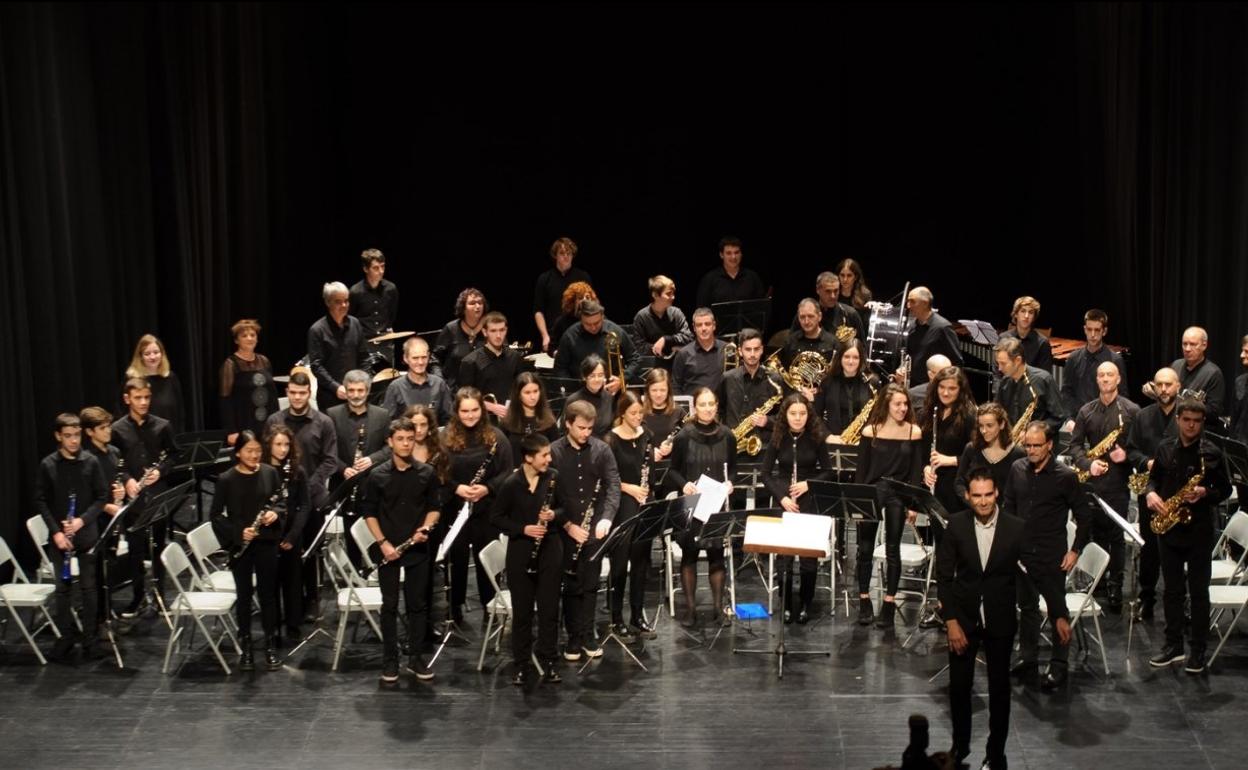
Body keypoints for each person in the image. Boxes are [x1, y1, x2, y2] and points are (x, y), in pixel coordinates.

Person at [937, 469, 1026, 770]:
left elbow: (1036, 572)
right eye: (977, 496)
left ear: (997, 492)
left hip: (1000, 620)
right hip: (963, 620)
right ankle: (960, 746)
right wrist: (951, 621)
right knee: (959, 688)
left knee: (1000, 691)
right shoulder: (956, 525)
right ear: (967, 496)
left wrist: (1058, 611)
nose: (984, 501)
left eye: (989, 494)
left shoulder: (1015, 527)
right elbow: (944, 577)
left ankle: (996, 754)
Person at [1146, 398, 1230, 674]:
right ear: (1178, 420)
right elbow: (1153, 479)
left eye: (1196, 421)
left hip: (1199, 531)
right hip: (1170, 527)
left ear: (1202, 422)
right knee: (1171, 591)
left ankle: (1198, 650)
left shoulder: (1211, 453)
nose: (1191, 425)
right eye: (1187, 420)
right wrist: (1151, 493)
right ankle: (1173, 645)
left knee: (1198, 593)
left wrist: (1206, 492)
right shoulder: (1165, 448)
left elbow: (1226, 490)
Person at [1002, 422, 1083, 692]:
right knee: (1027, 608)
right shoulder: (1017, 469)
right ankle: (1028, 658)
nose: (1032, 450)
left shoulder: (1065, 476)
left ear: (1049, 444)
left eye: (1037, 445)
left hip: (1051, 554)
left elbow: (1084, 516)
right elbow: (1009, 506)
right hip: (1022, 553)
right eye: (1028, 445)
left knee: (1058, 609)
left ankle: (1059, 664)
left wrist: (1075, 550)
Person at [359, 417, 442, 683]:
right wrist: (383, 543)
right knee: (390, 606)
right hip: (389, 549)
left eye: (410, 439)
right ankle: (390, 660)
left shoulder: (426, 473)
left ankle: (415, 658)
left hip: (416, 548)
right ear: (390, 442)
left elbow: (434, 508)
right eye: (400, 439)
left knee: (417, 605)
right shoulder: (377, 475)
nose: (406, 444)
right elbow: (369, 513)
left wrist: (426, 528)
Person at [491, 433, 564, 686]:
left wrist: (553, 514)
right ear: (529, 458)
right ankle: (522, 664)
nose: (549, 459)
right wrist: (523, 529)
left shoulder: (553, 477)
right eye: (544, 455)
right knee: (522, 613)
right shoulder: (511, 484)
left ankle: (549, 660)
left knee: (549, 610)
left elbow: (565, 508)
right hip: (521, 552)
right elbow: (496, 518)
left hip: (550, 550)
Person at [1067, 361, 1140, 612]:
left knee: (1116, 536)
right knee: (1094, 533)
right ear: (1096, 380)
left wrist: (1126, 456)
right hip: (1092, 482)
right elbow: (1075, 446)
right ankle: (1098, 579)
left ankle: (1115, 584)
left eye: (1110, 375)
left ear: (1118, 379)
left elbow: (1141, 448)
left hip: (1118, 482)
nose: (1106, 379)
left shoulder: (1132, 410)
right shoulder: (1086, 411)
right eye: (1101, 375)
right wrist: (1088, 464)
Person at [550, 399, 620, 659]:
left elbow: (613, 485)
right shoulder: (554, 451)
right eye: (581, 428)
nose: (585, 433)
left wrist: (606, 518)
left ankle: (588, 634)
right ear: (568, 424)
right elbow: (549, 496)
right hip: (566, 530)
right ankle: (573, 637)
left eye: (590, 428)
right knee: (571, 585)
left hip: (594, 529)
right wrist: (568, 525)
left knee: (590, 584)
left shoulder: (602, 450)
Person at [210, 430, 283, 671]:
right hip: (240, 545)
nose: (254, 455)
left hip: (266, 541)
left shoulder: (270, 473)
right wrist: (238, 532)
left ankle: (270, 643)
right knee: (244, 595)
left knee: (268, 594)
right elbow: (215, 516)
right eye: (249, 451)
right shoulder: (226, 479)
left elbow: (281, 502)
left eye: (258, 451)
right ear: (238, 453)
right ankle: (247, 643)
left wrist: (276, 513)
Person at [853, 383, 925, 629]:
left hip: (898, 493)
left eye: (905, 404)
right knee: (865, 548)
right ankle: (864, 599)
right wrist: (858, 502)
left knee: (893, 549)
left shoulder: (913, 432)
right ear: (886, 405)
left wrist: (913, 505)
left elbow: (915, 472)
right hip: (872, 492)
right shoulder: (870, 431)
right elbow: (861, 472)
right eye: (897, 404)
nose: (903, 408)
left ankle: (889, 603)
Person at [37, 413, 108, 662]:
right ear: (58, 436)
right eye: (68, 436)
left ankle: (90, 640)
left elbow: (102, 497)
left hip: (86, 534)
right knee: (62, 589)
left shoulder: (91, 462)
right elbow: (41, 501)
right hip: (61, 537)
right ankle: (66, 638)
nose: (74, 441)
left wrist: (81, 520)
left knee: (89, 589)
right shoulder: (48, 465)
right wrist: (56, 532)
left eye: (77, 435)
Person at [266, 371, 337, 619]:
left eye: (302, 393)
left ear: (309, 393)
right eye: (293, 393)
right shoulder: (275, 420)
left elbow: (330, 460)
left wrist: (307, 485)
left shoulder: (324, 422)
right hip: (281, 500)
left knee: (311, 550)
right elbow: (266, 456)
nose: (297, 397)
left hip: (312, 497)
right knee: (284, 551)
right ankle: (288, 604)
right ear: (287, 393)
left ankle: (312, 599)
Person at [664, 387, 736, 628]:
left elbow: (733, 468)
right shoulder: (684, 436)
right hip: (692, 504)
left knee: (717, 556)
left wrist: (730, 482)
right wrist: (684, 485)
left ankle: (717, 609)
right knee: (690, 555)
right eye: (702, 405)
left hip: (716, 505)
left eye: (711, 404)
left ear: (716, 406)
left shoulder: (727, 435)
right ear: (695, 407)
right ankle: (691, 611)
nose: (707, 409)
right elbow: (673, 470)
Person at [442, 387, 514, 625]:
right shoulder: (445, 437)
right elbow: (438, 471)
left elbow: (507, 472)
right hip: (456, 508)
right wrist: (457, 488)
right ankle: (455, 607)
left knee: (486, 560)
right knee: (457, 559)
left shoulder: (496, 437)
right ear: (457, 411)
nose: (470, 415)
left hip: (487, 508)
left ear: (482, 410)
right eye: (465, 411)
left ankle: (489, 606)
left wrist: (487, 488)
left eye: (474, 410)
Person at [111, 377, 179, 617]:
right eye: (138, 398)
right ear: (127, 399)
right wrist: (127, 479)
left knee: (159, 546)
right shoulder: (117, 429)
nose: (143, 402)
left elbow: (174, 455)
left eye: (147, 397)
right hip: (134, 498)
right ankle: (138, 597)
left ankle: (160, 595)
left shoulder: (163, 426)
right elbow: (115, 461)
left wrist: (161, 471)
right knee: (135, 549)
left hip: (158, 494)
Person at [760, 393, 831, 623]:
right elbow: (765, 474)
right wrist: (782, 498)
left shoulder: (816, 437)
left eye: (802, 413)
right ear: (785, 415)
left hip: (809, 499)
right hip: (785, 501)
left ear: (808, 415)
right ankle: (787, 603)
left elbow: (828, 471)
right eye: (793, 414)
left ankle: (806, 602)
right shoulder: (778, 437)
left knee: (808, 557)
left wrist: (808, 483)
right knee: (785, 558)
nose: (798, 418)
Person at [1125, 367, 1180, 621]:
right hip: (1151, 491)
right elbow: (1131, 450)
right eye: (1159, 384)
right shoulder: (1142, 415)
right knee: (1149, 550)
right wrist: (1146, 462)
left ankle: (1180, 604)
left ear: (1178, 386)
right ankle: (1147, 599)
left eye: (1168, 384)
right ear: (1154, 387)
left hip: (1179, 493)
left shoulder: (1187, 415)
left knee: (1179, 549)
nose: (1164, 389)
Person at [603, 391, 657, 640]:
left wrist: (646, 492)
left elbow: (651, 473)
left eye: (640, 413)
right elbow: (608, 478)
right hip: (622, 503)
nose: (638, 417)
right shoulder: (610, 440)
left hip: (643, 501)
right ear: (622, 413)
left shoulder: (647, 436)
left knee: (641, 562)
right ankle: (616, 618)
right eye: (633, 413)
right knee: (620, 563)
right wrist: (630, 488)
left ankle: (637, 615)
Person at [262, 424, 309, 645]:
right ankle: (272, 627)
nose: (283, 449)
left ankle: (293, 624)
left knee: (293, 582)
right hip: (268, 535)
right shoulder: (261, 471)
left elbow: (304, 506)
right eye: (278, 444)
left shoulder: (297, 471)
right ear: (269, 445)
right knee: (270, 584)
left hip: (291, 534)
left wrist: (292, 536)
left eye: (286, 444)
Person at [79, 407, 128, 620]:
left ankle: (107, 610)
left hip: (111, 519)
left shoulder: (114, 452)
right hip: (94, 521)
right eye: (102, 428)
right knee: (97, 570)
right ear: (89, 432)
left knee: (110, 565)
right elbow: (85, 496)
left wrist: (121, 492)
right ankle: (99, 616)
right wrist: (107, 506)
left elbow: (116, 481)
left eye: (108, 426)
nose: (108, 431)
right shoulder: (86, 458)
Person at [717, 328, 783, 463]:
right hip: (733, 446)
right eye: (748, 349)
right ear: (740, 351)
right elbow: (718, 411)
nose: (752, 354)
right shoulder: (728, 378)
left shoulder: (775, 379)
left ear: (762, 350)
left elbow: (784, 416)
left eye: (756, 349)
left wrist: (768, 421)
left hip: (765, 448)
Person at [326, 370, 392, 493]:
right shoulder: (332, 414)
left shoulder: (382, 415)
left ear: (368, 391)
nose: (356, 395)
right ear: (345, 391)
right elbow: (326, 450)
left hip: (374, 484)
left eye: (360, 390)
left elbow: (390, 447)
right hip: (341, 484)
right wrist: (343, 469)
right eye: (351, 390)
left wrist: (372, 459)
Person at [307, 281, 369, 411]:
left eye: (346, 301)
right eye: (338, 302)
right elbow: (316, 366)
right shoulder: (317, 330)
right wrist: (335, 387)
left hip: (355, 393)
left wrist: (362, 382)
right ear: (328, 302)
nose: (344, 305)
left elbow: (364, 357)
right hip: (330, 395)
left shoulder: (355, 324)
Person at [1059, 309, 1128, 427]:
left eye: (1097, 330)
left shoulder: (1115, 360)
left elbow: (1122, 395)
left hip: (1105, 422)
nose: (1092, 335)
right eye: (1089, 329)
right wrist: (1069, 418)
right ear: (1084, 329)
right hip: (1078, 421)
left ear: (1104, 331)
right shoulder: (1073, 358)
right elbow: (1066, 392)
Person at [219, 319, 280, 445]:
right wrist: (231, 430)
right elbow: (225, 399)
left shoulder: (264, 361)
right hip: (244, 423)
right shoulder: (231, 364)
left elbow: (272, 396)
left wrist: (277, 423)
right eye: (244, 336)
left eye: (253, 335)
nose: (249, 338)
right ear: (236, 340)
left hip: (266, 423)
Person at [552, 297, 639, 385]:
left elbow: (635, 359)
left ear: (602, 317)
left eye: (597, 323)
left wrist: (622, 379)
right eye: (588, 324)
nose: (593, 328)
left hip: (611, 388)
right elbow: (560, 368)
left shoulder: (615, 331)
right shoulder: (570, 336)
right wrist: (570, 387)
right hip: (580, 389)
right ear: (581, 319)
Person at [458, 311, 526, 420]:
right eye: (493, 331)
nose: (498, 336)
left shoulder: (515, 357)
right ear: (485, 332)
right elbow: (464, 398)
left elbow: (522, 389)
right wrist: (492, 407)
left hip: (512, 418)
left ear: (506, 330)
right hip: (483, 419)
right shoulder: (470, 362)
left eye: (502, 330)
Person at [993, 337, 1064, 436]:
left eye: (1003, 364)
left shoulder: (1043, 379)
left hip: (1038, 442)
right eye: (998, 363)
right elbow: (998, 412)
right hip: (1012, 440)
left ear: (1018, 360)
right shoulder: (1005, 382)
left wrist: (1034, 432)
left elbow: (1057, 418)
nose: (999, 368)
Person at [533, 237, 592, 354]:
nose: (566, 256)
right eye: (562, 253)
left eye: (569, 253)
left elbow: (591, 307)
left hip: (580, 335)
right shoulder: (544, 279)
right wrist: (545, 336)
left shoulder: (583, 277)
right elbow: (538, 311)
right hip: (554, 337)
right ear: (555, 255)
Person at [954, 403, 1024, 500]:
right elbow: (959, 482)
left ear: (1002, 424)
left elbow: (1021, 489)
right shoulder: (971, 449)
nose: (984, 431)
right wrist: (971, 500)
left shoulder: (1017, 453)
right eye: (981, 426)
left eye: (989, 426)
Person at [382, 336, 452, 424]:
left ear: (429, 356)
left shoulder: (439, 384)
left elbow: (449, 419)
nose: (420, 362)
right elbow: (389, 423)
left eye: (424, 357)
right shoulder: (395, 387)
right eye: (415, 358)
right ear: (405, 358)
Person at [902, 286, 963, 389]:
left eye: (912, 301)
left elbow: (956, 362)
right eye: (908, 301)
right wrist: (902, 369)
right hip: (914, 385)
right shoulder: (913, 326)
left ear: (925, 303)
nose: (908, 305)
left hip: (934, 387)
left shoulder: (942, 327)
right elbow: (909, 355)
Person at [816, 338, 877, 439]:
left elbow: (878, 416)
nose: (850, 362)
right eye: (847, 357)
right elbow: (816, 415)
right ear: (840, 357)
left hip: (863, 440)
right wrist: (827, 436)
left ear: (861, 359)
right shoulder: (827, 381)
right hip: (834, 440)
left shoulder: (871, 382)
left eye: (855, 357)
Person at [124, 334, 185, 434]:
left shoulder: (170, 377)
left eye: (156, 352)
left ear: (162, 354)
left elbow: (180, 412)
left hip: (169, 434)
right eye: (147, 354)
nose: (152, 357)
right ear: (140, 356)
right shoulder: (132, 379)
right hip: (141, 435)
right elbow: (123, 411)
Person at [348, 248, 399, 366]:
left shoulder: (391, 289)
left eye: (383, 266)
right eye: (376, 268)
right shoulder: (355, 292)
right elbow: (351, 319)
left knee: (387, 374)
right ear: (365, 269)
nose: (381, 271)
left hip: (386, 343)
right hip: (364, 344)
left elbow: (392, 315)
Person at [630, 274, 693, 368]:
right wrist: (661, 347)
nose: (673, 297)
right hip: (653, 367)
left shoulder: (676, 313)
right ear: (655, 295)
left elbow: (688, 337)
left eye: (673, 293)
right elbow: (638, 347)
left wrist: (666, 339)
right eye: (668, 294)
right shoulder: (641, 317)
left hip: (677, 364)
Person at [500, 371, 562, 466]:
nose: (533, 397)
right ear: (518, 394)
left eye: (535, 391)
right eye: (527, 393)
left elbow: (556, 453)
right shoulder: (507, 422)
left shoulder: (549, 421)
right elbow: (501, 454)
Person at [433, 287, 488, 390]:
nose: (477, 306)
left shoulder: (490, 329)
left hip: (483, 392)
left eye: (480, 303)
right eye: (472, 303)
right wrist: (440, 381)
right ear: (463, 308)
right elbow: (435, 358)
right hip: (454, 392)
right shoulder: (451, 329)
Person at [779, 299, 840, 390]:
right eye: (802, 317)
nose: (806, 321)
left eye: (811, 316)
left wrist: (820, 390)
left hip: (824, 394)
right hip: (796, 394)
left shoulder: (833, 342)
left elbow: (837, 376)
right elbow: (785, 373)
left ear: (819, 316)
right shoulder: (791, 341)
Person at [1168, 326, 1227, 419]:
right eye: (1184, 344)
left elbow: (1214, 411)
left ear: (1204, 345)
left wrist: (1190, 406)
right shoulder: (1176, 365)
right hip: (1172, 422)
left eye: (1193, 344)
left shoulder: (1213, 373)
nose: (1187, 349)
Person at [695, 235, 767, 310]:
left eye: (736, 252)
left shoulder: (752, 277)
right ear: (721, 255)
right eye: (729, 253)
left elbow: (762, 307)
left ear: (741, 254)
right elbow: (701, 309)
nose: (733, 257)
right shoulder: (709, 279)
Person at [790, 272, 864, 343]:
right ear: (818, 290)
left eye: (836, 291)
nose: (833, 296)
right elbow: (792, 343)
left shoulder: (851, 314)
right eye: (828, 291)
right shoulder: (805, 315)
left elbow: (862, 346)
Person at [671, 307, 725, 396]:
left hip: (720, 404)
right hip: (692, 404)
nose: (703, 328)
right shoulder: (683, 354)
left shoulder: (726, 349)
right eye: (699, 325)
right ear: (694, 328)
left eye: (707, 324)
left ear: (714, 325)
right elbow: (676, 386)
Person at [561, 355, 615, 438]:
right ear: (584, 377)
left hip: (603, 444)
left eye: (600, 375)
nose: (597, 379)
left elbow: (610, 428)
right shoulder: (573, 400)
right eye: (592, 376)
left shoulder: (609, 397)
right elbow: (564, 431)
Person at [997, 296, 1053, 370]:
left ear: (1034, 317)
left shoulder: (1043, 343)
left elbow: (1045, 374)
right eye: (1023, 311)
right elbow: (997, 371)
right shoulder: (1003, 338)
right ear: (1016, 314)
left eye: (1030, 312)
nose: (1026, 316)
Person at [548, 281, 598, 356]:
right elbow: (552, 347)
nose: (585, 300)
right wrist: (559, 354)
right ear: (573, 302)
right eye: (580, 298)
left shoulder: (599, 319)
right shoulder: (562, 322)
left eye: (587, 297)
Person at [641, 367, 686, 449]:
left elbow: (687, 441)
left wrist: (673, 446)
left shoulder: (679, 412)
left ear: (668, 390)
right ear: (648, 391)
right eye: (654, 390)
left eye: (662, 390)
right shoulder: (640, 412)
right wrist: (651, 453)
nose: (658, 395)